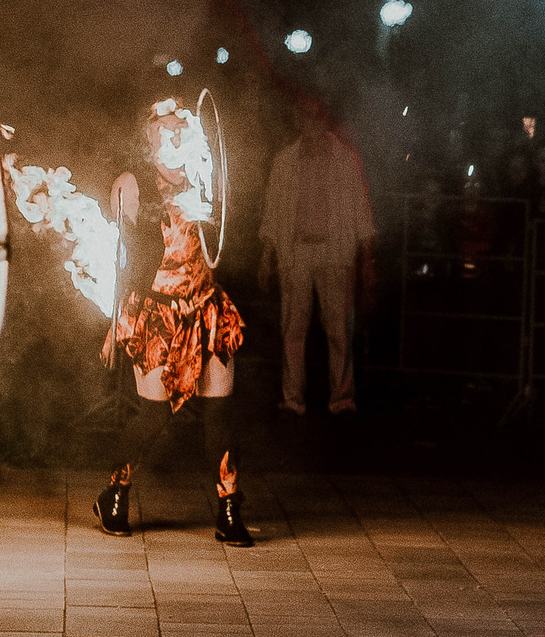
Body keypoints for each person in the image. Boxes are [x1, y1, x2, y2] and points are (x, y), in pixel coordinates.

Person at [104, 99, 253, 545]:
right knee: (154, 417)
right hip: (156, 312)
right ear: (147, 138)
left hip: (207, 309)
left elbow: (226, 242)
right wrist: (115, 325)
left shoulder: (205, 178)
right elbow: (122, 259)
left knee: (220, 411)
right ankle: (115, 490)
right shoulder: (131, 185)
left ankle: (229, 507)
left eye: (178, 127)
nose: (170, 134)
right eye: (160, 129)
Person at [259, 95, 378, 416]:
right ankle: (292, 399)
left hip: (335, 252)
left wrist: (366, 260)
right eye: (304, 116)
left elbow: (361, 211)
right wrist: (267, 255)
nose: (310, 123)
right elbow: (273, 211)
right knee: (292, 330)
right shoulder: (285, 161)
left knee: (339, 329)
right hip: (296, 252)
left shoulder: (345, 160)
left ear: (324, 119)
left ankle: (341, 398)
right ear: (298, 120)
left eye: (315, 116)